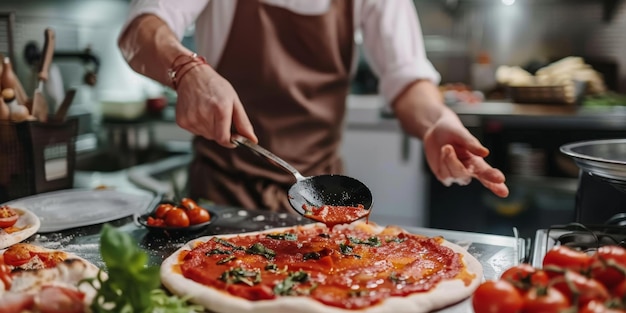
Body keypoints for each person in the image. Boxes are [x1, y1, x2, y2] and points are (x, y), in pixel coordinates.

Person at [118, 0, 509, 212]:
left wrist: (436, 120)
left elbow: (407, 79)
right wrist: (185, 68)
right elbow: (141, 26)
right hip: (220, 202)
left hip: (321, 202)